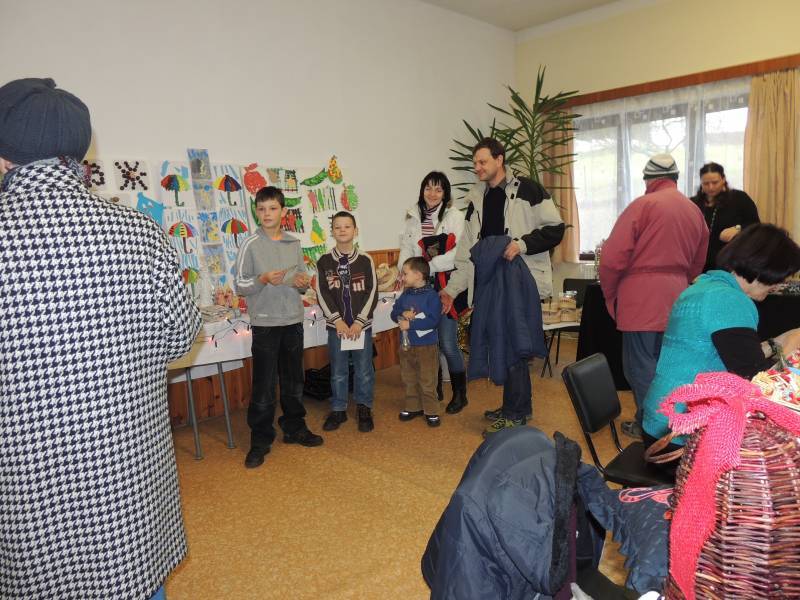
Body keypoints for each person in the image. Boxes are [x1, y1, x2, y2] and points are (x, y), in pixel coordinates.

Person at [0, 78, 201, 599]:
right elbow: (182, 337)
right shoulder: (139, 232)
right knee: (135, 581)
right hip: (127, 483)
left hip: (26, 497)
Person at [643, 223, 800, 462]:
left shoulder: (705, 286)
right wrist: (789, 353)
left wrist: (778, 342)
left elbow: (720, 353)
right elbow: (755, 381)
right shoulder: (729, 300)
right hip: (679, 440)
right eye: (780, 277)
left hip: (659, 422)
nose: (781, 284)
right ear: (764, 267)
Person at [440, 137, 565, 436]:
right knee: (503, 344)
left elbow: (555, 229)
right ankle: (518, 406)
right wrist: (452, 290)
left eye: (482, 161)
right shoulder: (477, 199)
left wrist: (522, 244)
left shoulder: (529, 190)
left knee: (513, 345)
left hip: (521, 282)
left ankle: (514, 413)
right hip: (490, 283)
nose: (477, 168)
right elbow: (467, 253)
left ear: (500, 159)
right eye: (475, 163)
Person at [599, 154, 709, 439]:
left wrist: (610, 294)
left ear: (648, 180)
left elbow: (612, 259)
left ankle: (652, 428)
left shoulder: (642, 205)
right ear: (675, 179)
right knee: (669, 365)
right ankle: (671, 425)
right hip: (679, 297)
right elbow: (698, 262)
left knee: (641, 366)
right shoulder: (694, 210)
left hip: (641, 298)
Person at [235, 186, 323, 469]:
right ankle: (260, 439)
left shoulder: (293, 243)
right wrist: (262, 279)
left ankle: (294, 427)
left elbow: (301, 278)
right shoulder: (250, 244)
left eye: (272, 208)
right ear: (256, 212)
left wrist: (302, 283)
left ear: (283, 212)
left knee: (294, 380)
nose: (267, 214)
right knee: (264, 384)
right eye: (261, 209)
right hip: (265, 323)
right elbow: (240, 285)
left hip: (293, 320)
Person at [397, 171, 468, 414]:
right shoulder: (413, 216)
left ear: (445, 193)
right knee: (428, 342)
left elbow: (459, 253)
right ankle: (433, 392)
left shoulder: (455, 216)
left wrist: (429, 268)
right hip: (419, 287)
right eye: (428, 188)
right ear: (422, 190)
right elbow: (406, 248)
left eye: (438, 189)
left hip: (445, 284)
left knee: (447, 342)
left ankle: (460, 394)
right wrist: (405, 271)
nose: (433, 193)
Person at [315, 211, 378, 432]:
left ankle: (364, 407)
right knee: (338, 370)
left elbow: (372, 292)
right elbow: (322, 292)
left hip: (362, 327)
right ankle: (338, 408)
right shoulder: (324, 262)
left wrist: (359, 322)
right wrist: (337, 321)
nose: (342, 230)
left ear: (355, 231)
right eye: (338, 227)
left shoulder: (365, 260)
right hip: (337, 328)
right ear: (332, 232)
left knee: (364, 369)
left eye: (347, 226)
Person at [391, 257, 443, 427]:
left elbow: (433, 321)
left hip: (427, 346)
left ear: (418, 275)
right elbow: (394, 313)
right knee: (409, 377)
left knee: (427, 379)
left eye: (405, 274)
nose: (402, 277)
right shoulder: (406, 294)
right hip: (406, 345)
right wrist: (402, 313)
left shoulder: (432, 296)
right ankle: (413, 407)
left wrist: (411, 324)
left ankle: (431, 410)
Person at [691, 162, 759, 272]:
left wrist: (738, 229)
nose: (711, 187)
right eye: (706, 183)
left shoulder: (739, 198)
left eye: (715, 182)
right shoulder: (693, 203)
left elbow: (756, 226)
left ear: (723, 179)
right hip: (699, 263)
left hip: (731, 263)